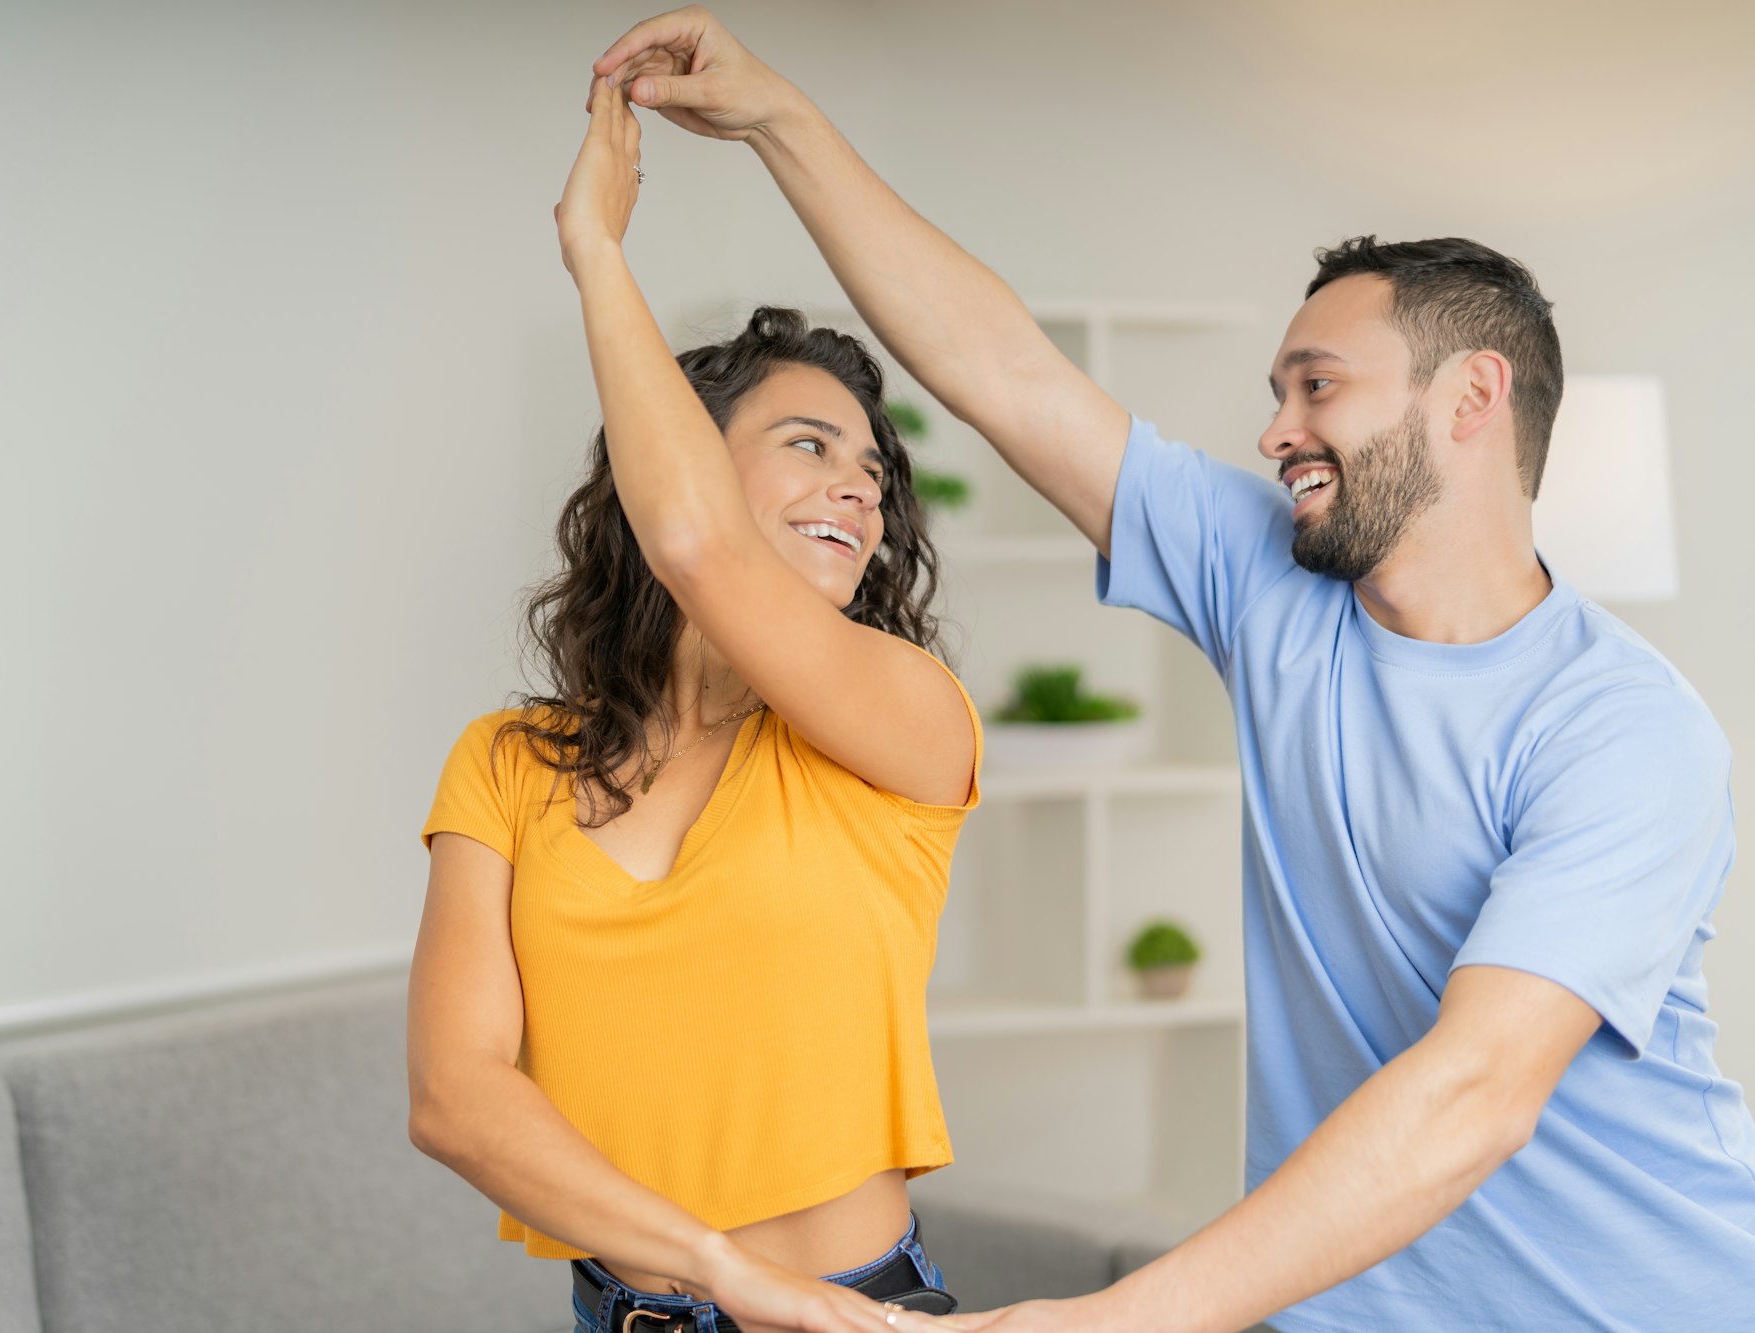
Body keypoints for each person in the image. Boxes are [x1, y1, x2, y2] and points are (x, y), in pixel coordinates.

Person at [586, 9, 1755, 1332]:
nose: (1274, 430)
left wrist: (1102, 1321)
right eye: (1277, 390)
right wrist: (779, 119)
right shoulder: (1271, 585)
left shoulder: (1621, 730)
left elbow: (1475, 1092)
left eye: (1318, 386)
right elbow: (1001, 371)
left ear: (1471, 398)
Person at [407, 79, 985, 1333]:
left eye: (873, 472)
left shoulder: (903, 720)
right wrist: (720, 1270)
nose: (860, 490)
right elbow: (454, 1096)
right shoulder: (504, 764)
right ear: (674, 450)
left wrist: (595, 249)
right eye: (809, 445)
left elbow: (698, 548)